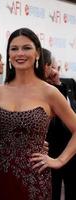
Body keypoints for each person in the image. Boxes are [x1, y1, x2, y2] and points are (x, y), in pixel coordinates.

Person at [0, 27, 76, 200]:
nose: (20, 53)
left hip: (34, 178)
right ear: (9, 55)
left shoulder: (50, 92)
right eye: (14, 49)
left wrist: (59, 160)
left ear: (37, 53)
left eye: (26, 48)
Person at [43, 49, 76, 200]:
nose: (55, 71)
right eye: (52, 67)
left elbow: (71, 110)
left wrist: (57, 84)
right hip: (50, 148)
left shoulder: (68, 84)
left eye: (57, 68)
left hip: (70, 146)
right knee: (52, 191)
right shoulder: (38, 88)